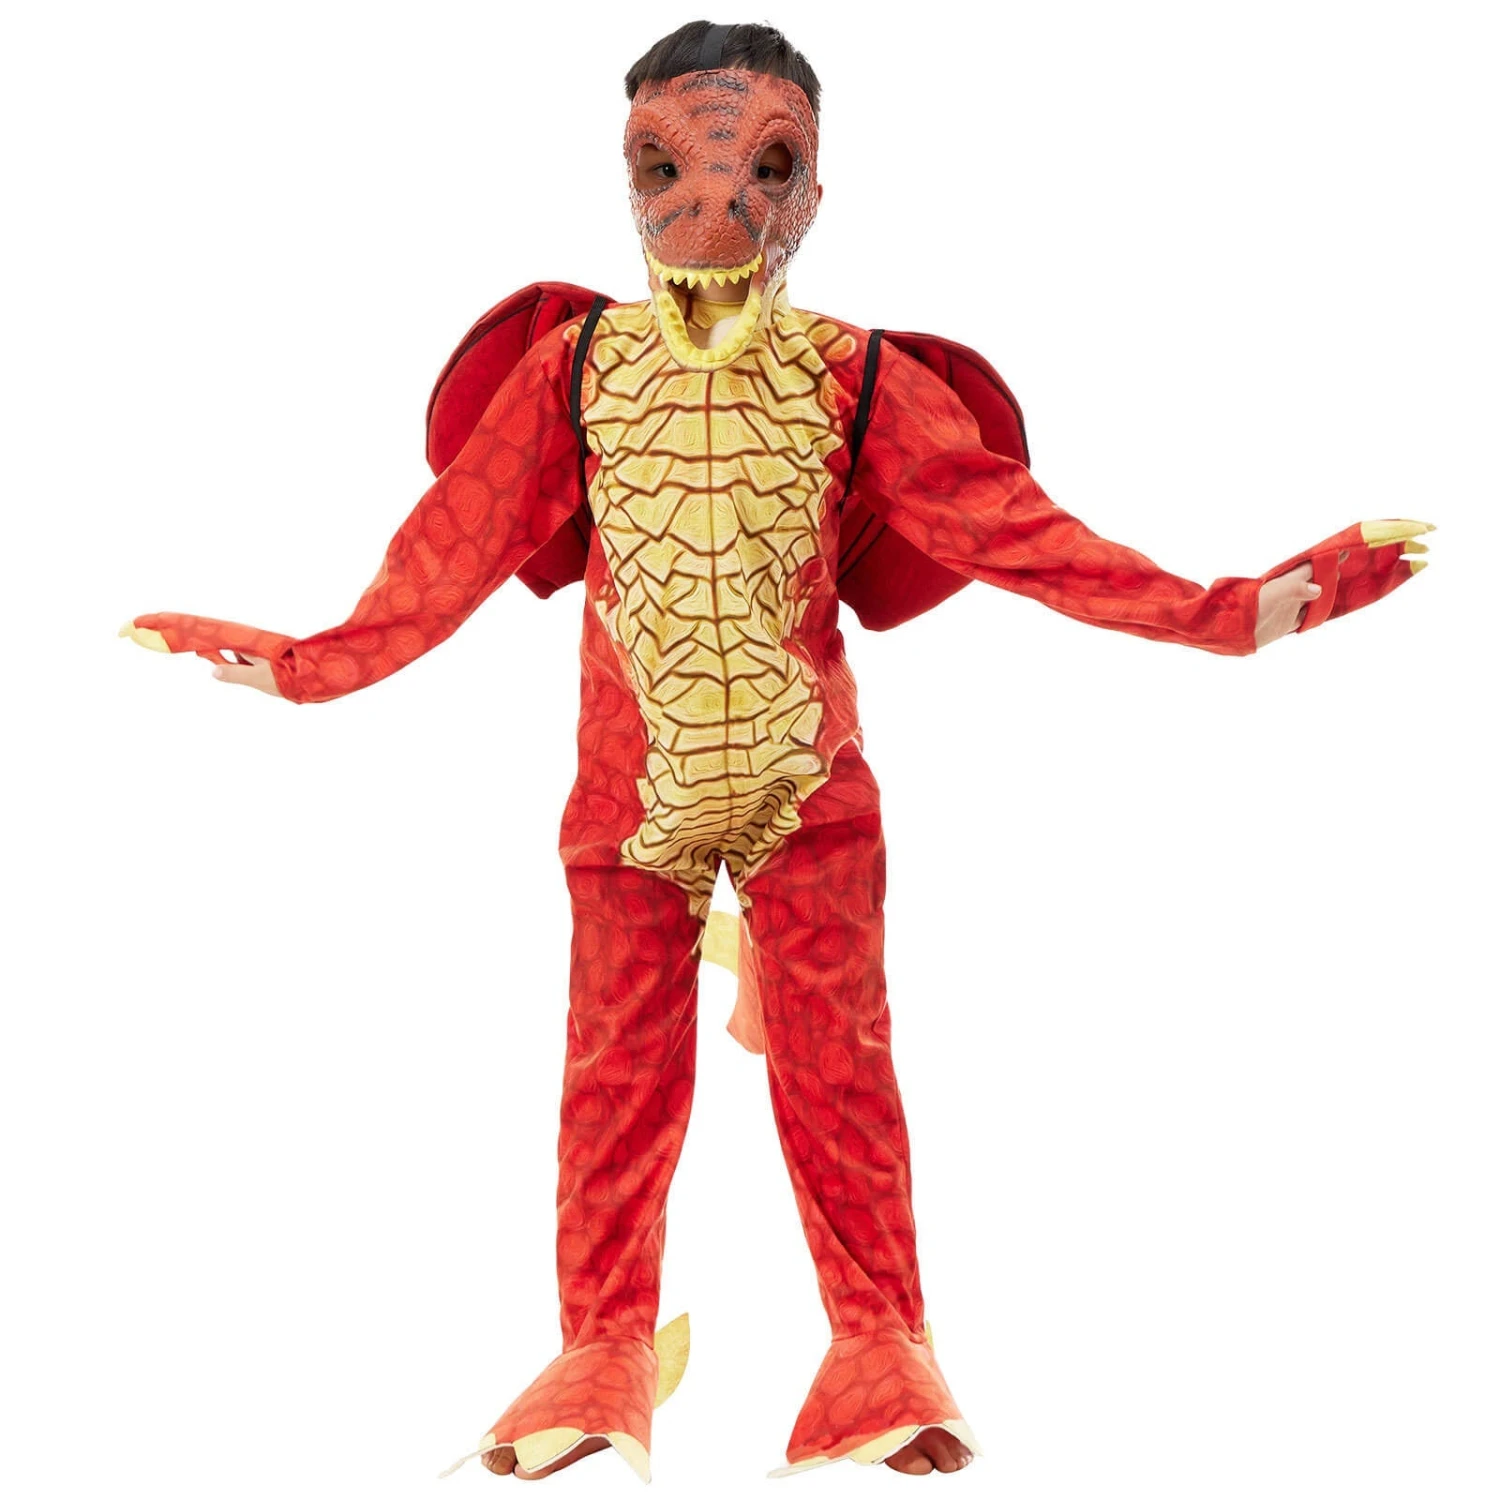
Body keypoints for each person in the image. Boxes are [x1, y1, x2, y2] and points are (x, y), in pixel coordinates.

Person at [120, 19, 1431, 1483]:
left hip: (810, 792)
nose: (714, 209)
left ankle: (880, 1345)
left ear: (813, 190)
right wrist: (312, 667)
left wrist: (1224, 614)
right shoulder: (569, 372)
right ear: (628, 179)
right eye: (667, 171)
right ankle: (601, 1348)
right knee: (614, 1075)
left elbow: (1016, 532)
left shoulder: (860, 379)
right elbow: (451, 546)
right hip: (631, 800)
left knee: (841, 1070)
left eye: (764, 169)